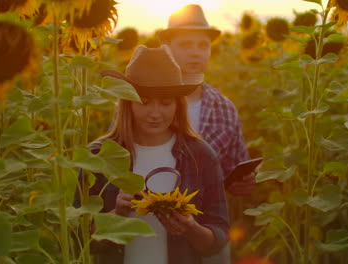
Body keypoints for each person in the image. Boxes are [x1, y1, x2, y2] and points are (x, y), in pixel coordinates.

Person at [77, 45, 229, 264]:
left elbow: (217, 240)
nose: (155, 114)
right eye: (144, 102)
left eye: (166, 103)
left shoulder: (200, 155)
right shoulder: (98, 156)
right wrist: (117, 214)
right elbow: (79, 239)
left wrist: (190, 227)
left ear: (178, 105)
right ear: (127, 103)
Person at [158, 4, 255, 197]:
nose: (195, 52)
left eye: (203, 45)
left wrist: (241, 183)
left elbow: (234, 168)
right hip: (148, 215)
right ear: (167, 49)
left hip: (204, 220)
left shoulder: (225, 109)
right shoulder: (145, 102)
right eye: (185, 44)